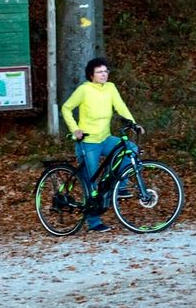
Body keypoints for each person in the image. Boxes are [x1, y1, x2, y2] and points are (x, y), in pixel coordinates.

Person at [61, 57, 142, 232]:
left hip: (105, 138)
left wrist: (133, 124)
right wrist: (75, 129)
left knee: (131, 149)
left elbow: (121, 106)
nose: (104, 74)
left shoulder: (111, 88)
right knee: (91, 182)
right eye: (100, 72)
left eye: (106, 71)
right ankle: (94, 222)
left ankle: (120, 186)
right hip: (88, 142)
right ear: (91, 75)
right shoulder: (84, 90)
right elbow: (66, 108)